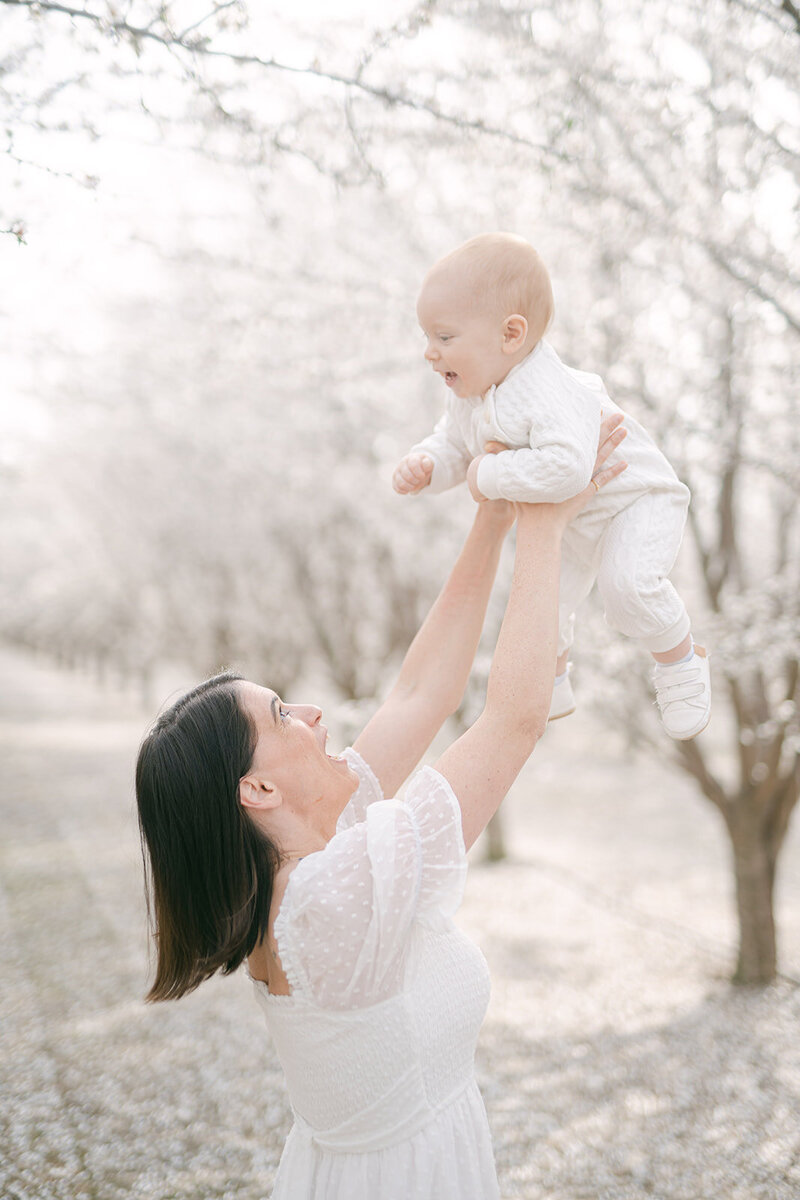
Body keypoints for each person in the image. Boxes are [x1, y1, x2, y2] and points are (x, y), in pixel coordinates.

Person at [135, 417, 626, 1200]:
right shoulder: (335, 895)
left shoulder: (322, 855)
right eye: (284, 716)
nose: (316, 712)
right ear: (256, 791)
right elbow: (512, 722)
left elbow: (421, 691)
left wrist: (493, 517)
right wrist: (547, 521)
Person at [393, 232, 711, 741]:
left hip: (632, 499)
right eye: (427, 337)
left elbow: (567, 468)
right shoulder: (470, 394)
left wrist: (486, 476)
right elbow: (455, 443)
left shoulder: (549, 389)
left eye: (445, 337)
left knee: (626, 588)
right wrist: (429, 464)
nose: (431, 353)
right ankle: (554, 674)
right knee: (541, 601)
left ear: (511, 335)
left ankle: (679, 658)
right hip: (574, 519)